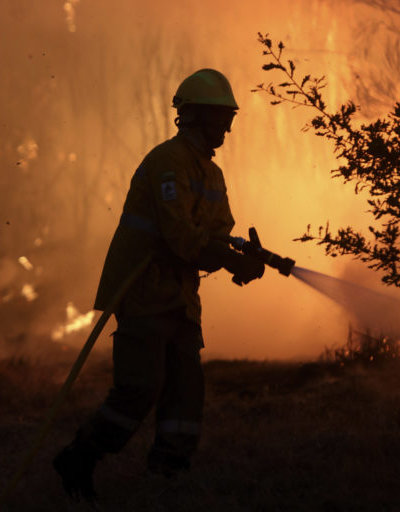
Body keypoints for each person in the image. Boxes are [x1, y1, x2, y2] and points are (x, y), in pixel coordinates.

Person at [53, 68, 265, 499]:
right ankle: (79, 458)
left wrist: (243, 259)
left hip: (181, 299)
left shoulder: (212, 174)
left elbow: (217, 235)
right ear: (195, 116)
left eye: (229, 118)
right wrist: (228, 259)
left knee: (186, 390)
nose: (227, 127)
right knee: (139, 388)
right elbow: (180, 236)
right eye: (221, 117)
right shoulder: (169, 162)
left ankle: (168, 474)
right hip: (143, 292)